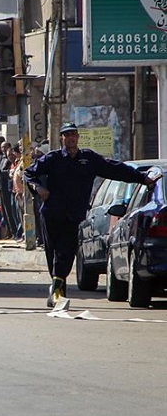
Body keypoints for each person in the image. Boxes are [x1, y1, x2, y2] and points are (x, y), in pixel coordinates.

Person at [24, 123, 158, 307]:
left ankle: (56, 289)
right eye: (67, 135)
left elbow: (115, 169)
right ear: (61, 138)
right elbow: (29, 173)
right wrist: (38, 188)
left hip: (74, 215)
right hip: (51, 214)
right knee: (52, 252)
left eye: (73, 134)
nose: (70, 138)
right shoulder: (52, 159)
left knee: (65, 252)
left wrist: (142, 178)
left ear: (78, 137)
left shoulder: (88, 159)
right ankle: (56, 287)